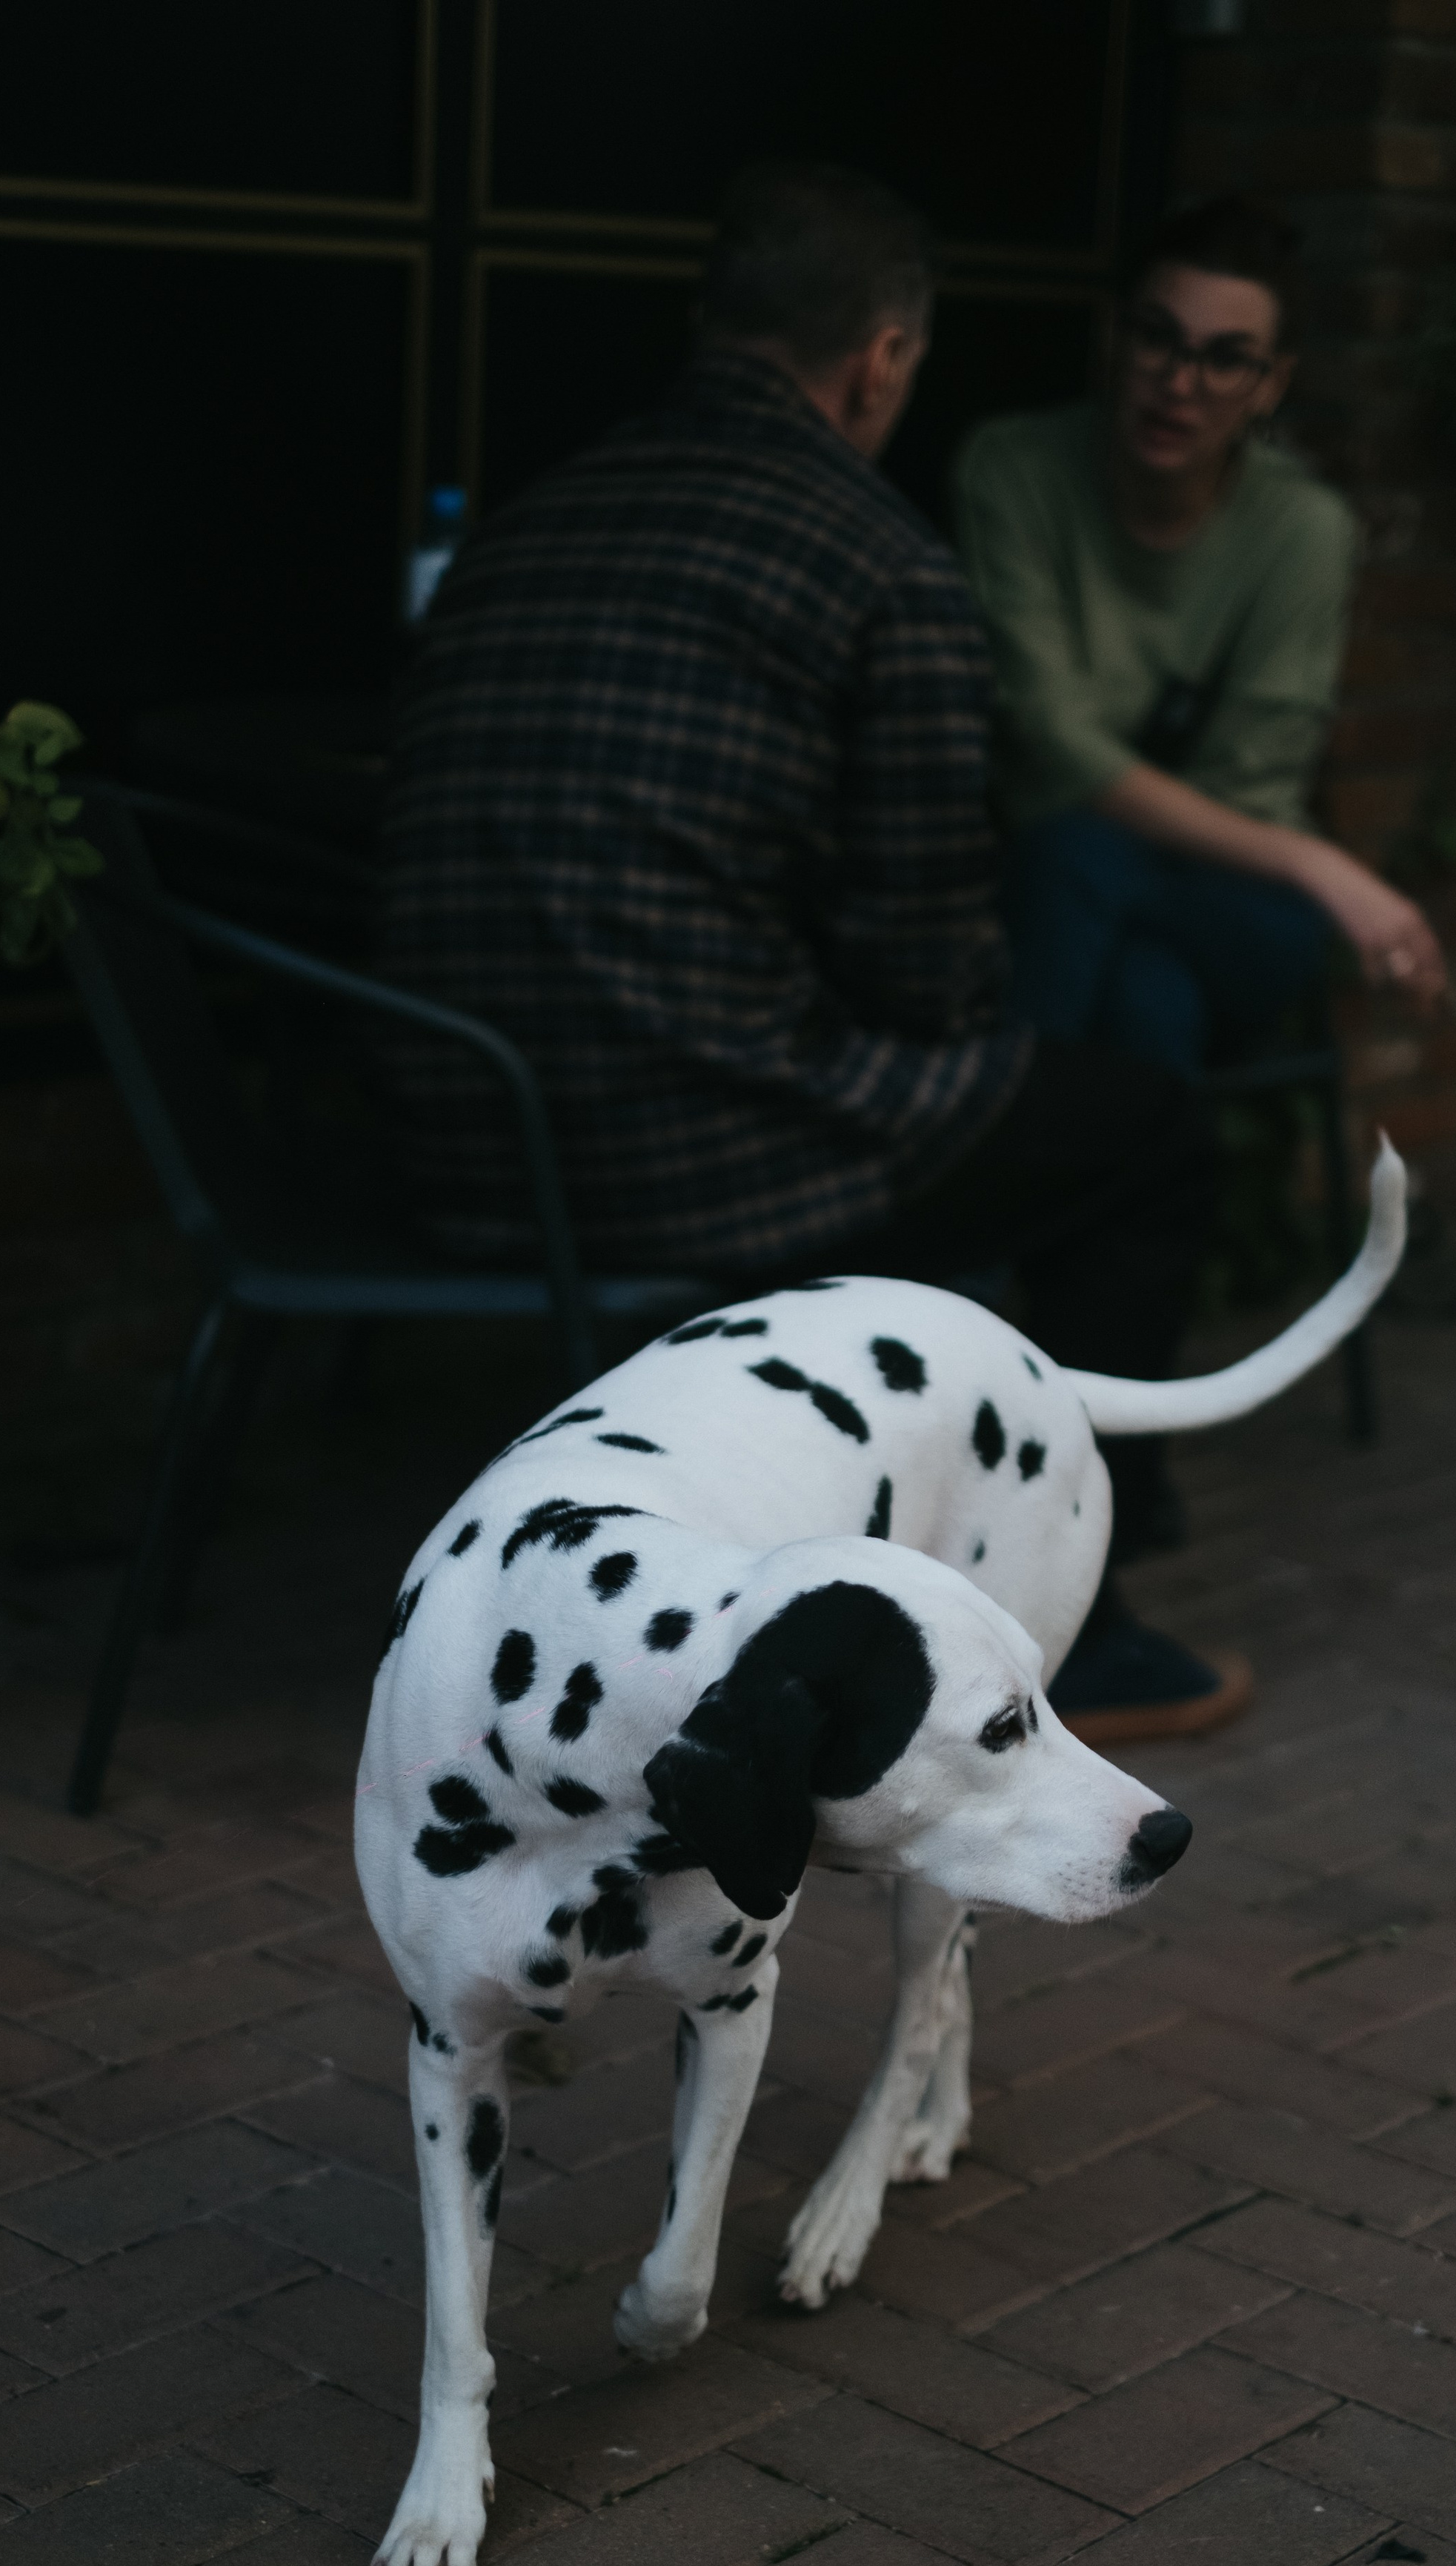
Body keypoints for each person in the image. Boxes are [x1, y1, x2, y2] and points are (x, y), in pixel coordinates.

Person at [375, 162, 1244, 1740]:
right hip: (699, 1154)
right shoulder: (880, 559)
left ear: (718, 325)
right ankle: (1073, 1615)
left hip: (447, 1141)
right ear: (882, 359)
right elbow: (924, 970)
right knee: (1142, 1130)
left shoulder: (524, 520)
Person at [954, 196, 1447, 1080]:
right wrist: (1324, 866)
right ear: (1116, 335)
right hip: (1051, 879)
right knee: (1146, 997)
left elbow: (1249, 782)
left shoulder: (1301, 530)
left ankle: (1003, 1168)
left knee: (1080, 857)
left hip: (1229, 905)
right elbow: (1048, 747)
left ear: (1271, 384)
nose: (1180, 384)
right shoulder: (1013, 471)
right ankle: (1103, 1208)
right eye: (1158, 339)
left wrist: (1274, 858)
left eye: (1226, 361)